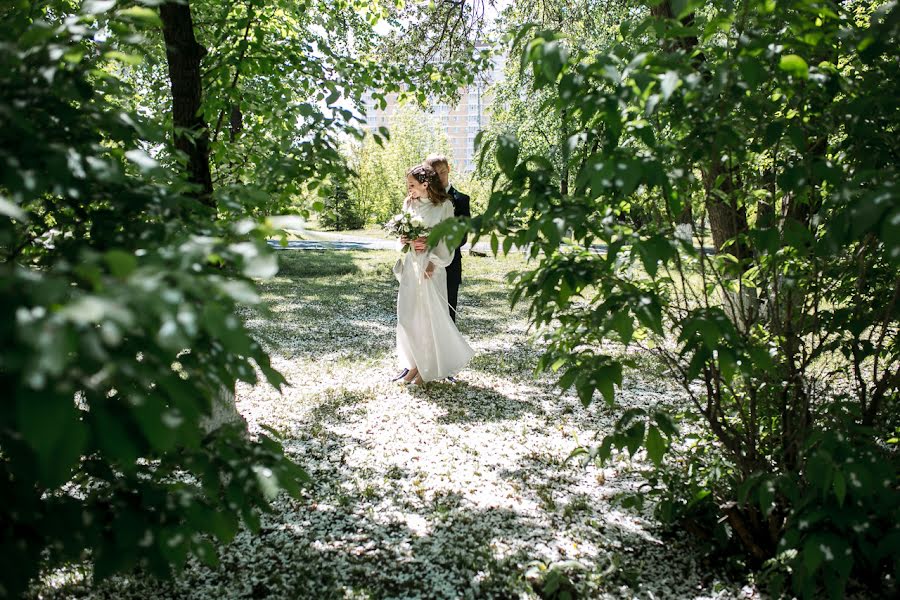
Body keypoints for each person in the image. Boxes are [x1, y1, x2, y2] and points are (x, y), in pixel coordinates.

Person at [393, 164, 474, 385]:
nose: (408, 189)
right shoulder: (409, 203)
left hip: (430, 266)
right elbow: (404, 232)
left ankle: (424, 369)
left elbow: (448, 239)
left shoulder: (445, 206)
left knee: (428, 318)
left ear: (425, 184)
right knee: (408, 317)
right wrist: (403, 240)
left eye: (412, 184)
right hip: (411, 265)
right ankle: (413, 363)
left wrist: (434, 262)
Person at [423, 154, 470, 323]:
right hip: (422, 262)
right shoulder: (423, 199)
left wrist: (439, 252)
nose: (440, 177)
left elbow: (462, 237)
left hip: (449, 264)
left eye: (443, 172)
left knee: (448, 314)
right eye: (435, 174)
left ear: (449, 169)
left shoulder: (461, 200)